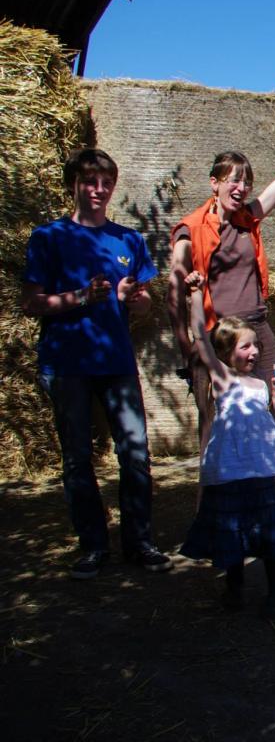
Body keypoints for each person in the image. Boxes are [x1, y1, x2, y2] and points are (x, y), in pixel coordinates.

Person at [24, 148, 170, 578]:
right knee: (77, 458)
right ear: (74, 184)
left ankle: (139, 542)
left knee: (136, 452)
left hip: (116, 362)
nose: (99, 190)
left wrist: (134, 299)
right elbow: (29, 302)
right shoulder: (48, 237)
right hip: (66, 363)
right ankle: (92, 546)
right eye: (90, 181)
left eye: (106, 183)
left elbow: (143, 306)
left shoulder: (128, 240)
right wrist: (78, 298)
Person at [168, 84, 275, 453]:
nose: (241, 187)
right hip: (219, 335)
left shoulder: (249, 219)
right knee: (214, 421)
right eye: (233, 180)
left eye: (246, 181)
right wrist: (188, 345)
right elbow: (175, 287)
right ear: (215, 183)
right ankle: (207, 502)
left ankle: (266, 489)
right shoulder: (190, 227)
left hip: (257, 328)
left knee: (269, 409)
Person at [179, 271, 275, 618]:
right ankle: (235, 590)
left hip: (259, 471)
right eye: (246, 346)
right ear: (227, 353)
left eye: (256, 345)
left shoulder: (260, 384)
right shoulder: (224, 378)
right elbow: (200, 337)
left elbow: (266, 425)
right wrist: (197, 296)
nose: (254, 351)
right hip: (231, 472)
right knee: (232, 533)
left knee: (270, 533)